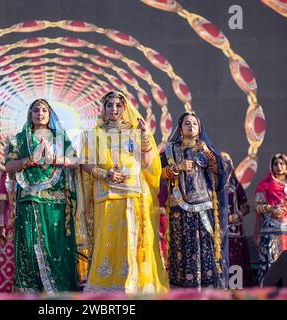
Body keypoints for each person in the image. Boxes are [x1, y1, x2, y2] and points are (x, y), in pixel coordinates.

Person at [79, 91, 169, 293]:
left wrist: (145, 136)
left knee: (136, 241)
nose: (114, 109)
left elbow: (148, 164)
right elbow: (84, 163)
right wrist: (104, 174)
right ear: (103, 109)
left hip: (135, 195)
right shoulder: (92, 135)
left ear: (124, 107)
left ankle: (138, 287)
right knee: (108, 240)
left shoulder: (136, 132)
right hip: (108, 195)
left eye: (118, 105)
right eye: (109, 105)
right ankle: (107, 290)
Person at [5, 99, 79, 294]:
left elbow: (76, 161)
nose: (40, 113)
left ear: (50, 114)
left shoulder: (60, 137)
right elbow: (9, 167)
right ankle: (30, 293)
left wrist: (55, 159)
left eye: (44, 110)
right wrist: (30, 160)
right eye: (36, 110)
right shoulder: (18, 139)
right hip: (29, 198)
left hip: (56, 200)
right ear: (30, 114)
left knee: (57, 246)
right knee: (29, 247)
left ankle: (61, 294)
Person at [160, 112, 230, 289]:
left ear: (199, 129)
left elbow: (219, 173)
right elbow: (157, 173)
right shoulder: (170, 149)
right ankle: (181, 291)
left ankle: (206, 290)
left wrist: (207, 152)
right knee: (180, 251)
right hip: (179, 209)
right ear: (180, 128)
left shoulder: (206, 149)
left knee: (205, 250)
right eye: (186, 123)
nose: (191, 126)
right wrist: (177, 168)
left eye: (194, 124)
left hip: (203, 208)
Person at [254, 153, 287, 286]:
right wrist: (271, 208)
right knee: (269, 265)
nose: (278, 166)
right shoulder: (264, 185)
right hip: (270, 233)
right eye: (275, 164)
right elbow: (257, 206)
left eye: (281, 163)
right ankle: (265, 292)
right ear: (271, 167)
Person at [221, 152, 254, 287]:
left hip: (234, 233)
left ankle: (236, 292)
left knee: (236, 262)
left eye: (226, 162)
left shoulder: (235, 184)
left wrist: (235, 216)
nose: (224, 165)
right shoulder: (210, 184)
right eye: (221, 162)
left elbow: (246, 207)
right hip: (218, 232)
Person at [0, 170, 15, 293]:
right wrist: (1, 226)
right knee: (9, 265)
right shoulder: (6, 175)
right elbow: (3, 201)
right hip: (12, 227)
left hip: (34, 226)